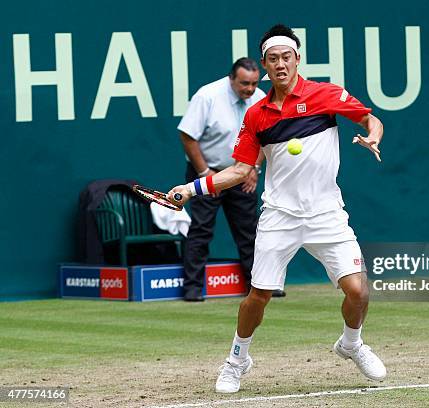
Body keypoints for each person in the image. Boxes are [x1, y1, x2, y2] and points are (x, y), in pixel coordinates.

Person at [168, 24, 386, 391]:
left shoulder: (326, 94)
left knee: (359, 291)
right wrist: (191, 188)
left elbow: (369, 117)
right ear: (266, 67)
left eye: (287, 57)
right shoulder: (256, 115)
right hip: (279, 216)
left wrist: (373, 136)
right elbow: (239, 171)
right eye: (273, 59)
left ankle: (351, 344)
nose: (281, 64)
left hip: (326, 214)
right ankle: (237, 360)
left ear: (297, 59)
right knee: (259, 296)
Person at [178, 57, 269, 301]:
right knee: (201, 229)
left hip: (243, 174)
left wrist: (254, 168)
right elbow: (188, 136)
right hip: (208, 172)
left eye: (253, 83)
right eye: (244, 84)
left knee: (250, 231)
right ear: (231, 79)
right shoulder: (207, 96)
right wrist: (205, 174)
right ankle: (193, 288)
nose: (249, 89)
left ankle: (259, 286)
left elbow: (264, 137)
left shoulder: (260, 98)